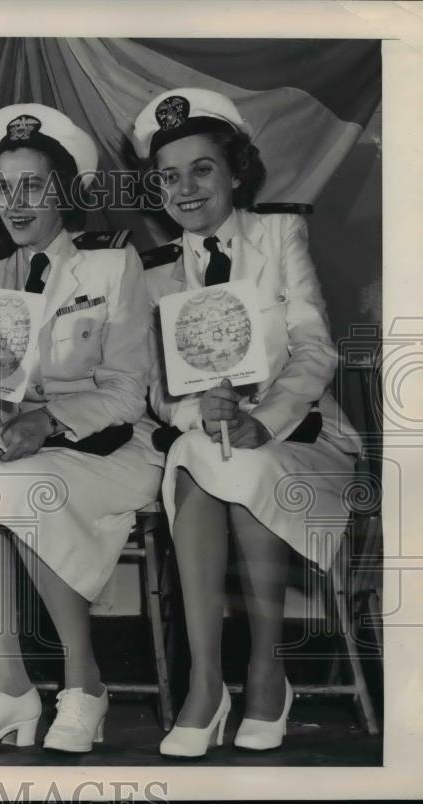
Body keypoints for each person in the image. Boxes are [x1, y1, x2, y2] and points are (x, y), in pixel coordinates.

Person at [131, 88, 362, 757]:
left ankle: (267, 668)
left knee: (236, 462)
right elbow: (154, 386)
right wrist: (191, 408)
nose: (185, 188)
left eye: (201, 168)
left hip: (302, 437)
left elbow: (315, 347)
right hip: (210, 442)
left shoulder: (278, 236)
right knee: (204, 459)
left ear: (235, 171)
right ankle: (208, 683)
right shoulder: (153, 272)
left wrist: (266, 418)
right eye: (169, 176)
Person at [0, 104, 160, 753]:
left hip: (108, 449)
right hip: (23, 454)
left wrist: (46, 419)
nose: (16, 202)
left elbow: (125, 392)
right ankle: (10, 688)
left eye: (33, 186)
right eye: (5, 188)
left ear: (66, 192)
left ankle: (83, 684)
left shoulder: (112, 267)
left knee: (17, 483)